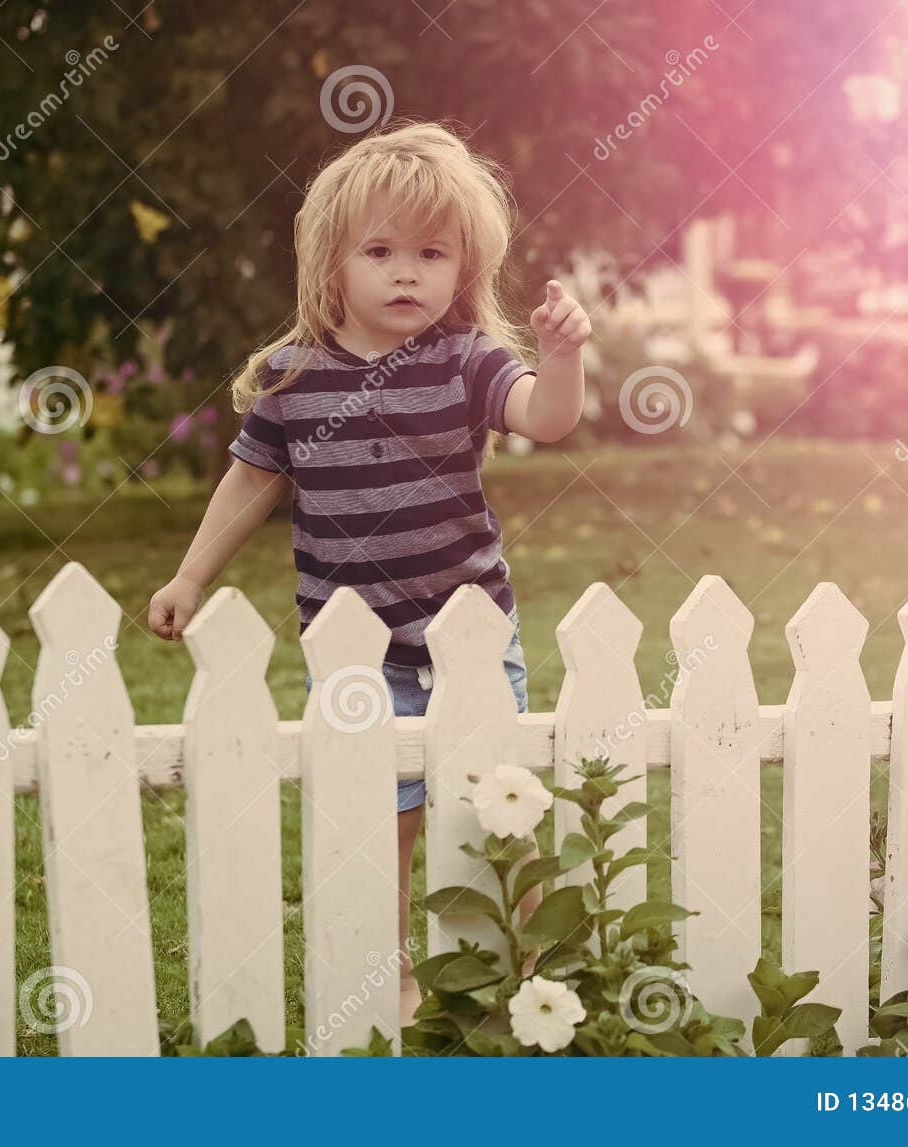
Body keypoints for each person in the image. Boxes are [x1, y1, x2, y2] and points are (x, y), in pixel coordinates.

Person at [148, 121, 590, 1025]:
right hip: (360, 653)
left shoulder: (468, 362)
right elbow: (249, 484)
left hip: (472, 638)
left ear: (461, 268)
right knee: (384, 818)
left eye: (431, 253)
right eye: (380, 250)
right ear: (330, 263)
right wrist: (191, 578)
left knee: (494, 809)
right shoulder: (293, 377)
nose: (406, 273)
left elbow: (545, 419)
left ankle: (525, 968)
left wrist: (567, 356)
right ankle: (388, 976)